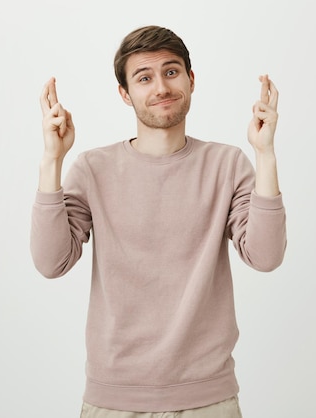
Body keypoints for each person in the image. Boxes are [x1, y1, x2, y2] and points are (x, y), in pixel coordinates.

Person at [30, 25, 287, 417]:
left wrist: (265, 154)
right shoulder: (94, 168)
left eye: (171, 72)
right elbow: (51, 263)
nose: (161, 87)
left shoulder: (227, 164)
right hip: (113, 400)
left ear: (191, 79)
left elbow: (265, 256)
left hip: (209, 400)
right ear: (125, 93)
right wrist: (52, 161)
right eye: (144, 78)